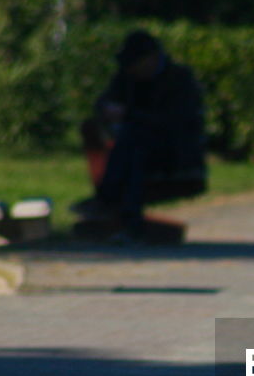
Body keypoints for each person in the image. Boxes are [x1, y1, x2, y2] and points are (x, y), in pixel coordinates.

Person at [74, 30, 207, 241]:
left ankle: (107, 200)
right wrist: (108, 110)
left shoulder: (179, 79)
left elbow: (175, 122)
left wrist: (128, 114)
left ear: (153, 58)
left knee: (136, 142)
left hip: (173, 151)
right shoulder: (127, 77)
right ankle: (123, 217)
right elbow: (103, 102)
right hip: (135, 148)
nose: (133, 69)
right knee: (134, 145)